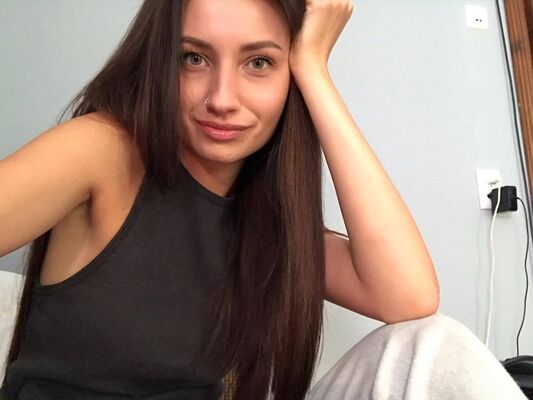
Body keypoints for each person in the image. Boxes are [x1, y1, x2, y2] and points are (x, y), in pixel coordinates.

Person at [0, 0, 526, 399]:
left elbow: (407, 298)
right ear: (159, 62)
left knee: (432, 346)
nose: (221, 99)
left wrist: (315, 71)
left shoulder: (266, 221)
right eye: (193, 58)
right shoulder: (104, 150)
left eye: (259, 63)